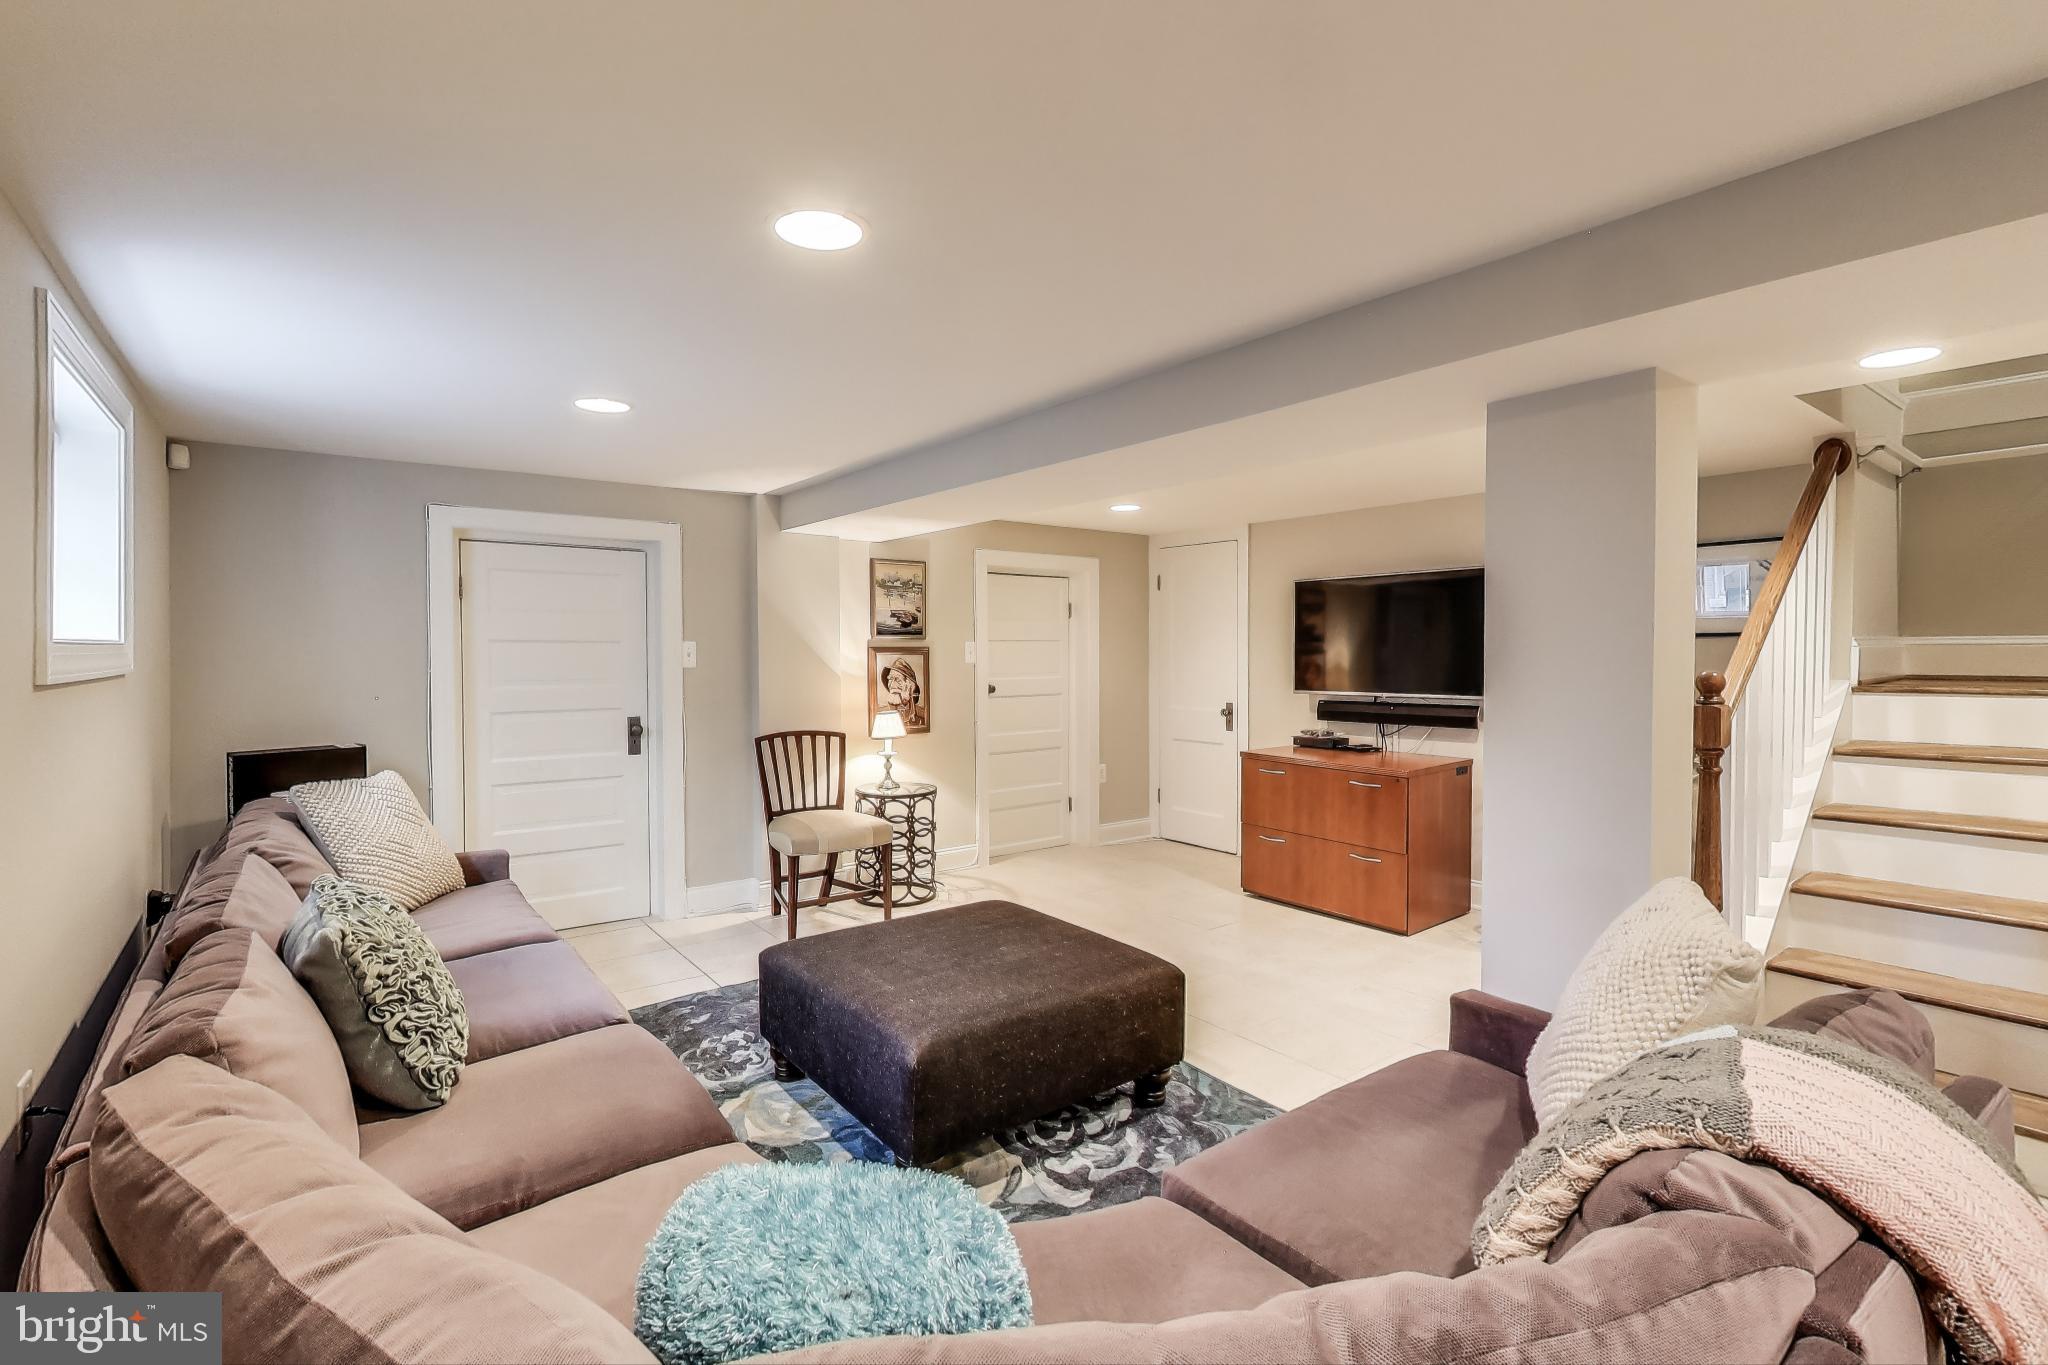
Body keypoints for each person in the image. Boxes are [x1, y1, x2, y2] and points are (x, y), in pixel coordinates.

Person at [879, 658, 927, 730]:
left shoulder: (923, 715)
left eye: (897, 679)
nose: (892, 684)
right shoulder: (881, 714)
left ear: (909, 685)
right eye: (890, 679)